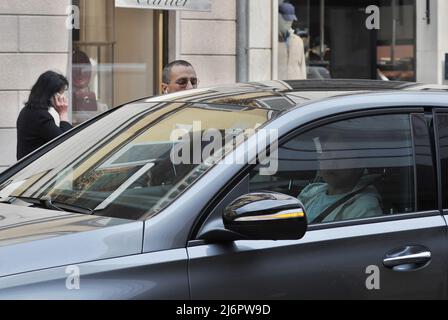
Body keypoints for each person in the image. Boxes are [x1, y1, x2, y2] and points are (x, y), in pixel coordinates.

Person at [298, 134, 382, 223]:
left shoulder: (365, 209)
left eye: (342, 156)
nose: (331, 163)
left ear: (360, 164)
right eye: (328, 152)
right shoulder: (310, 192)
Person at [16, 71, 73, 160]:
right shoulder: (40, 116)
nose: (63, 97)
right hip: (36, 170)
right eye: (61, 93)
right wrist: (63, 113)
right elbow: (65, 141)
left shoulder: (28, 111)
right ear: (52, 94)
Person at [278, 1, 307, 80]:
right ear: (277, 18)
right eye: (286, 20)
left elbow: (302, 67)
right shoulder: (271, 43)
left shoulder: (298, 41)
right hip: (278, 86)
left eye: (290, 21)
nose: (288, 23)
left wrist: (303, 84)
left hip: (296, 87)